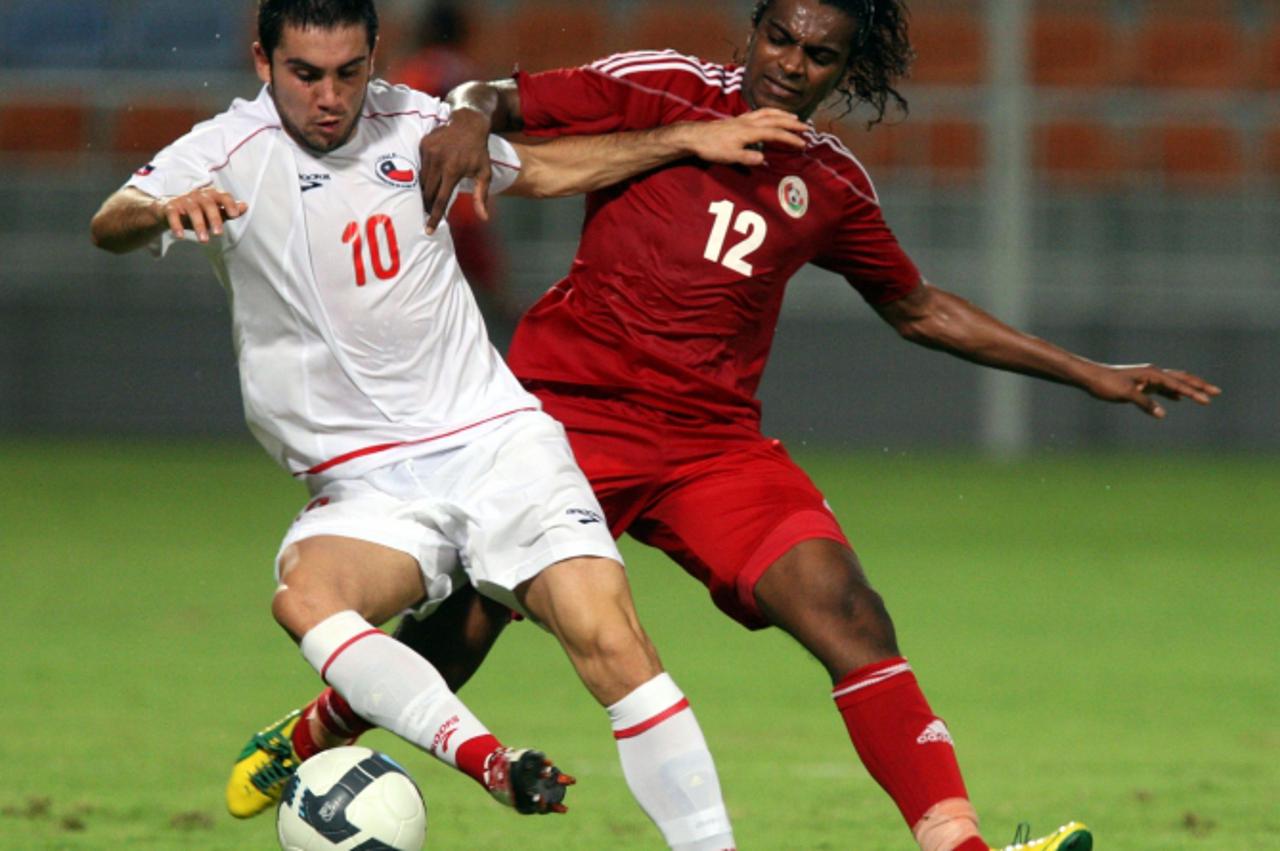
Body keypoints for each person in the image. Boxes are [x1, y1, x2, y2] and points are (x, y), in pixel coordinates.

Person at [241, 1, 1222, 849]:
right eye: (779, 36)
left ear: (845, 69)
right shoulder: (662, 87)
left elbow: (916, 306)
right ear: (753, 28)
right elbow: (496, 94)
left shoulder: (827, 184)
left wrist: (1087, 372)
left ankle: (954, 836)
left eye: (817, 53)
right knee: (462, 627)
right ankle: (312, 734)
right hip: (557, 417)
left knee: (849, 611)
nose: (790, 64)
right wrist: (462, 120)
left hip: (708, 446)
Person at [89, 1, 812, 848]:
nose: (329, 97)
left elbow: (540, 169)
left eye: (349, 73)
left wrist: (684, 140)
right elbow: (109, 222)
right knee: (305, 598)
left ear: (374, 58)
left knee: (610, 641)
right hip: (363, 480)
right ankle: (488, 760)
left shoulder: (418, 122)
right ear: (262, 62)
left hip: (493, 441)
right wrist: (164, 210)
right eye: (305, 74)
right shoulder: (223, 150)